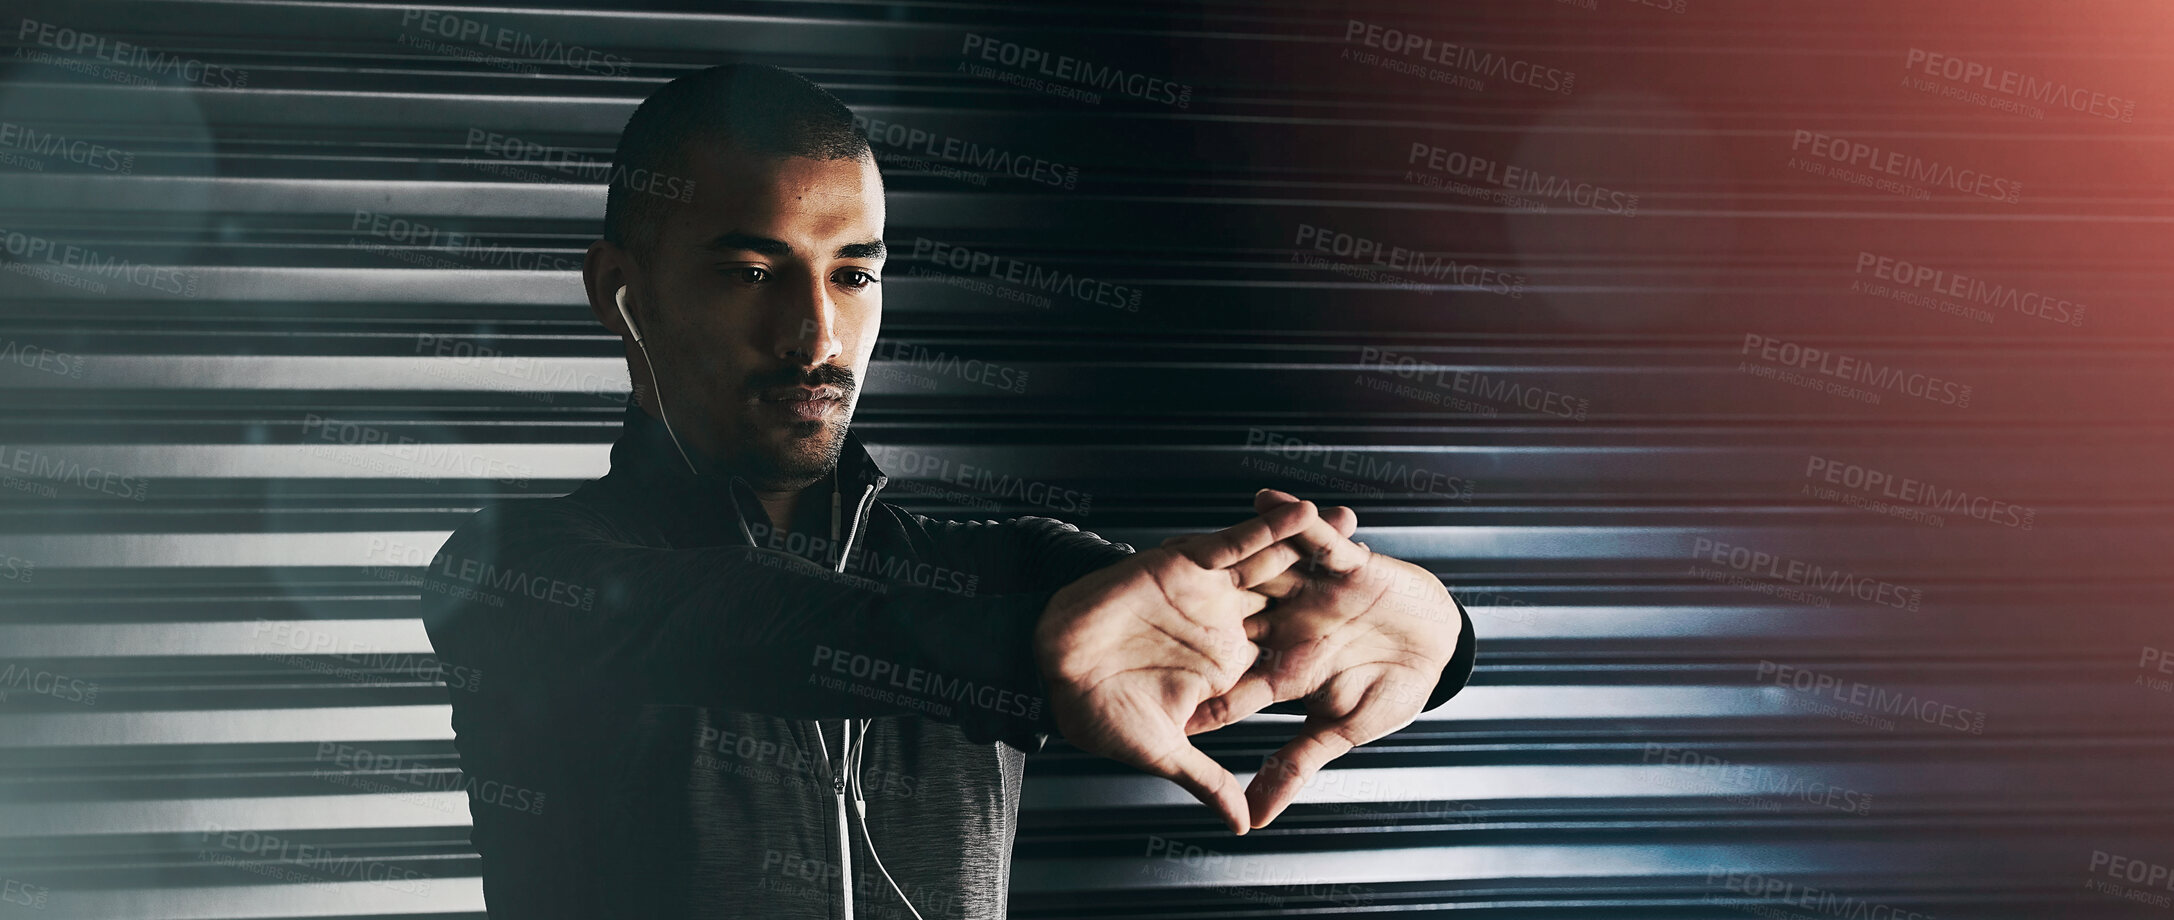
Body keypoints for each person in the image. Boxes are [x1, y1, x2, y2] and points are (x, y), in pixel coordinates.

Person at [419, 62, 1476, 920]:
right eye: (751, 272)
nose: (816, 336)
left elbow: (1258, 624)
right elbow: (742, 620)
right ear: (621, 291)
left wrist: (1429, 627)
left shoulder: (1001, 567)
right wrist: (1020, 654)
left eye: (852, 273)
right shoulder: (515, 569)